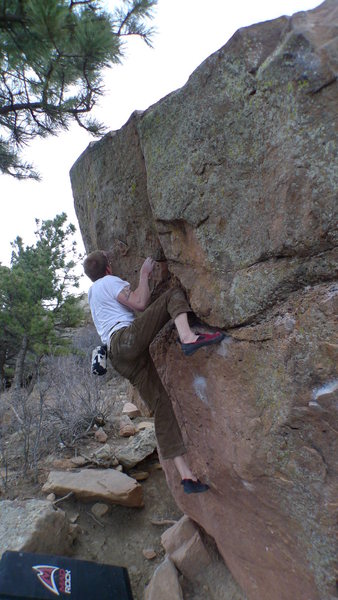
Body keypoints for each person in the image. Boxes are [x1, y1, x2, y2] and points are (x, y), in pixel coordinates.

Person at [84, 250, 224, 494]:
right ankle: (188, 337)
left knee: (161, 406)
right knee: (172, 296)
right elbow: (140, 303)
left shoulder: (92, 293)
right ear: (108, 268)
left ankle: (187, 476)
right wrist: (144, 275)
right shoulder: (109, 282)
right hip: (125, 340)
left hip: (119, 358)